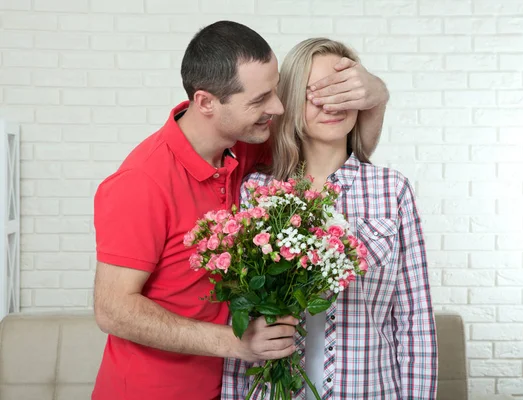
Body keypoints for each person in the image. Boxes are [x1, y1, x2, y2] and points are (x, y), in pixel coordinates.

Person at [92, 21, 389, 400]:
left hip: (231, 389)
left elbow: (338, 155)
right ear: (206, 103)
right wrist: (237, 344)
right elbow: (113, 310)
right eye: (260, 99)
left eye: (276, 90)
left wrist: (376, 96)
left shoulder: (246, 142)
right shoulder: (142, 181)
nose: (277, 108)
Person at [221, 38, 438, 399]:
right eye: (314, 93)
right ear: (289, 101)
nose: (332, 104)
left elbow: (415, 322)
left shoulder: (391, 190)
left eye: (342, 92)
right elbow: (239, 322)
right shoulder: (256, 191)